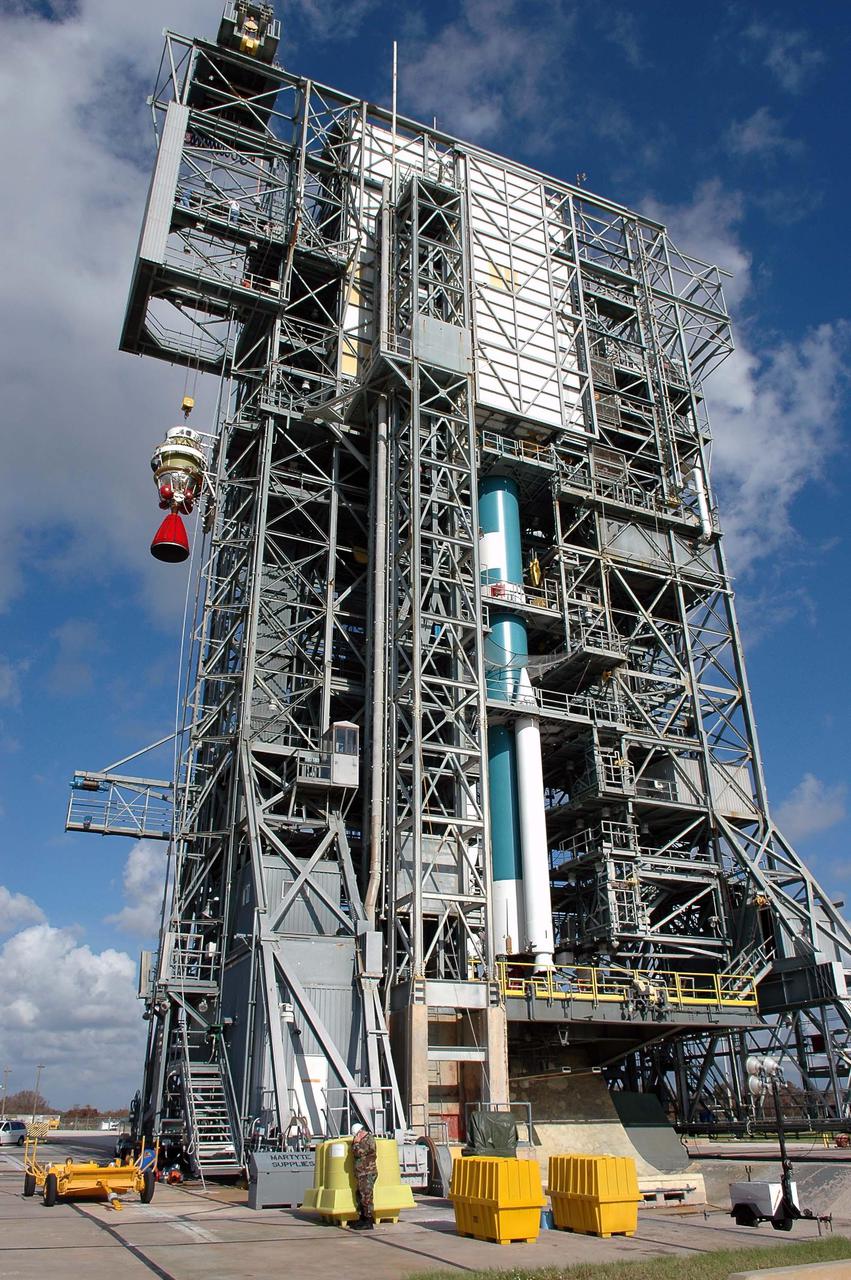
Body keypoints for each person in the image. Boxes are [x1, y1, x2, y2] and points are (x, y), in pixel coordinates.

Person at [349, 1123, 377, 1229]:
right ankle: (362, 1218)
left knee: (367, 1197)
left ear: (360, 1132)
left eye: (356, 1135)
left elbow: (359, 1152)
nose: (355, 1138)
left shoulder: (368, 1140)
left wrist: (356, 1143)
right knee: (360, 1196)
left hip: (367, 1172)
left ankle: (368, 1220)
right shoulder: (361, 1140)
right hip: (361, 1173)